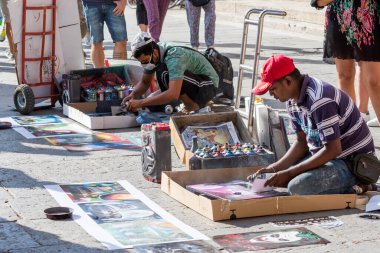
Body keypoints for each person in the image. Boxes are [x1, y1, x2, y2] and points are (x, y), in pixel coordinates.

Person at [248, 54, 375, 195]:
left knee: (297, 187)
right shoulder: (291, 101)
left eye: (273, 89)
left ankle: (360, 183)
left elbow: (333, 149)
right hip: (326, 155)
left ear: (288, 81)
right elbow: (301, 142)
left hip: (352, 163)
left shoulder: (320, 99)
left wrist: (290, 173)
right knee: (279, 178)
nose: (271, 95)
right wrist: (273, 169)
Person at [315, 0, 380, 127]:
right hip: (339, 16)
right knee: (345, 76)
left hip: (369, 16)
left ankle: (362, 112)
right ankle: (351, 129)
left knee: (374, 81)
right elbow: (320, 2)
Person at [121, 32, 219, 114]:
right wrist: (133, 95)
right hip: (192, 83)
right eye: (141, 62)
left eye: (145, 61)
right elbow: (145, 82)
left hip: (209, 85)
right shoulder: (155, 54)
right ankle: (189, 102)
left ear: (154, 52)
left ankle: (191, 106)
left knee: (163, 72)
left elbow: (173, 94)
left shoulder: (174, 55)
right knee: (152, 105)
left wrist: (140, 102)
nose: (144, 65)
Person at [82, 0, 128, 67]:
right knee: (96, 42)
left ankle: (119, 73)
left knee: (121, 41)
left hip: (114, 4)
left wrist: (123, 1)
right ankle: (100, 75)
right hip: (91, 4)